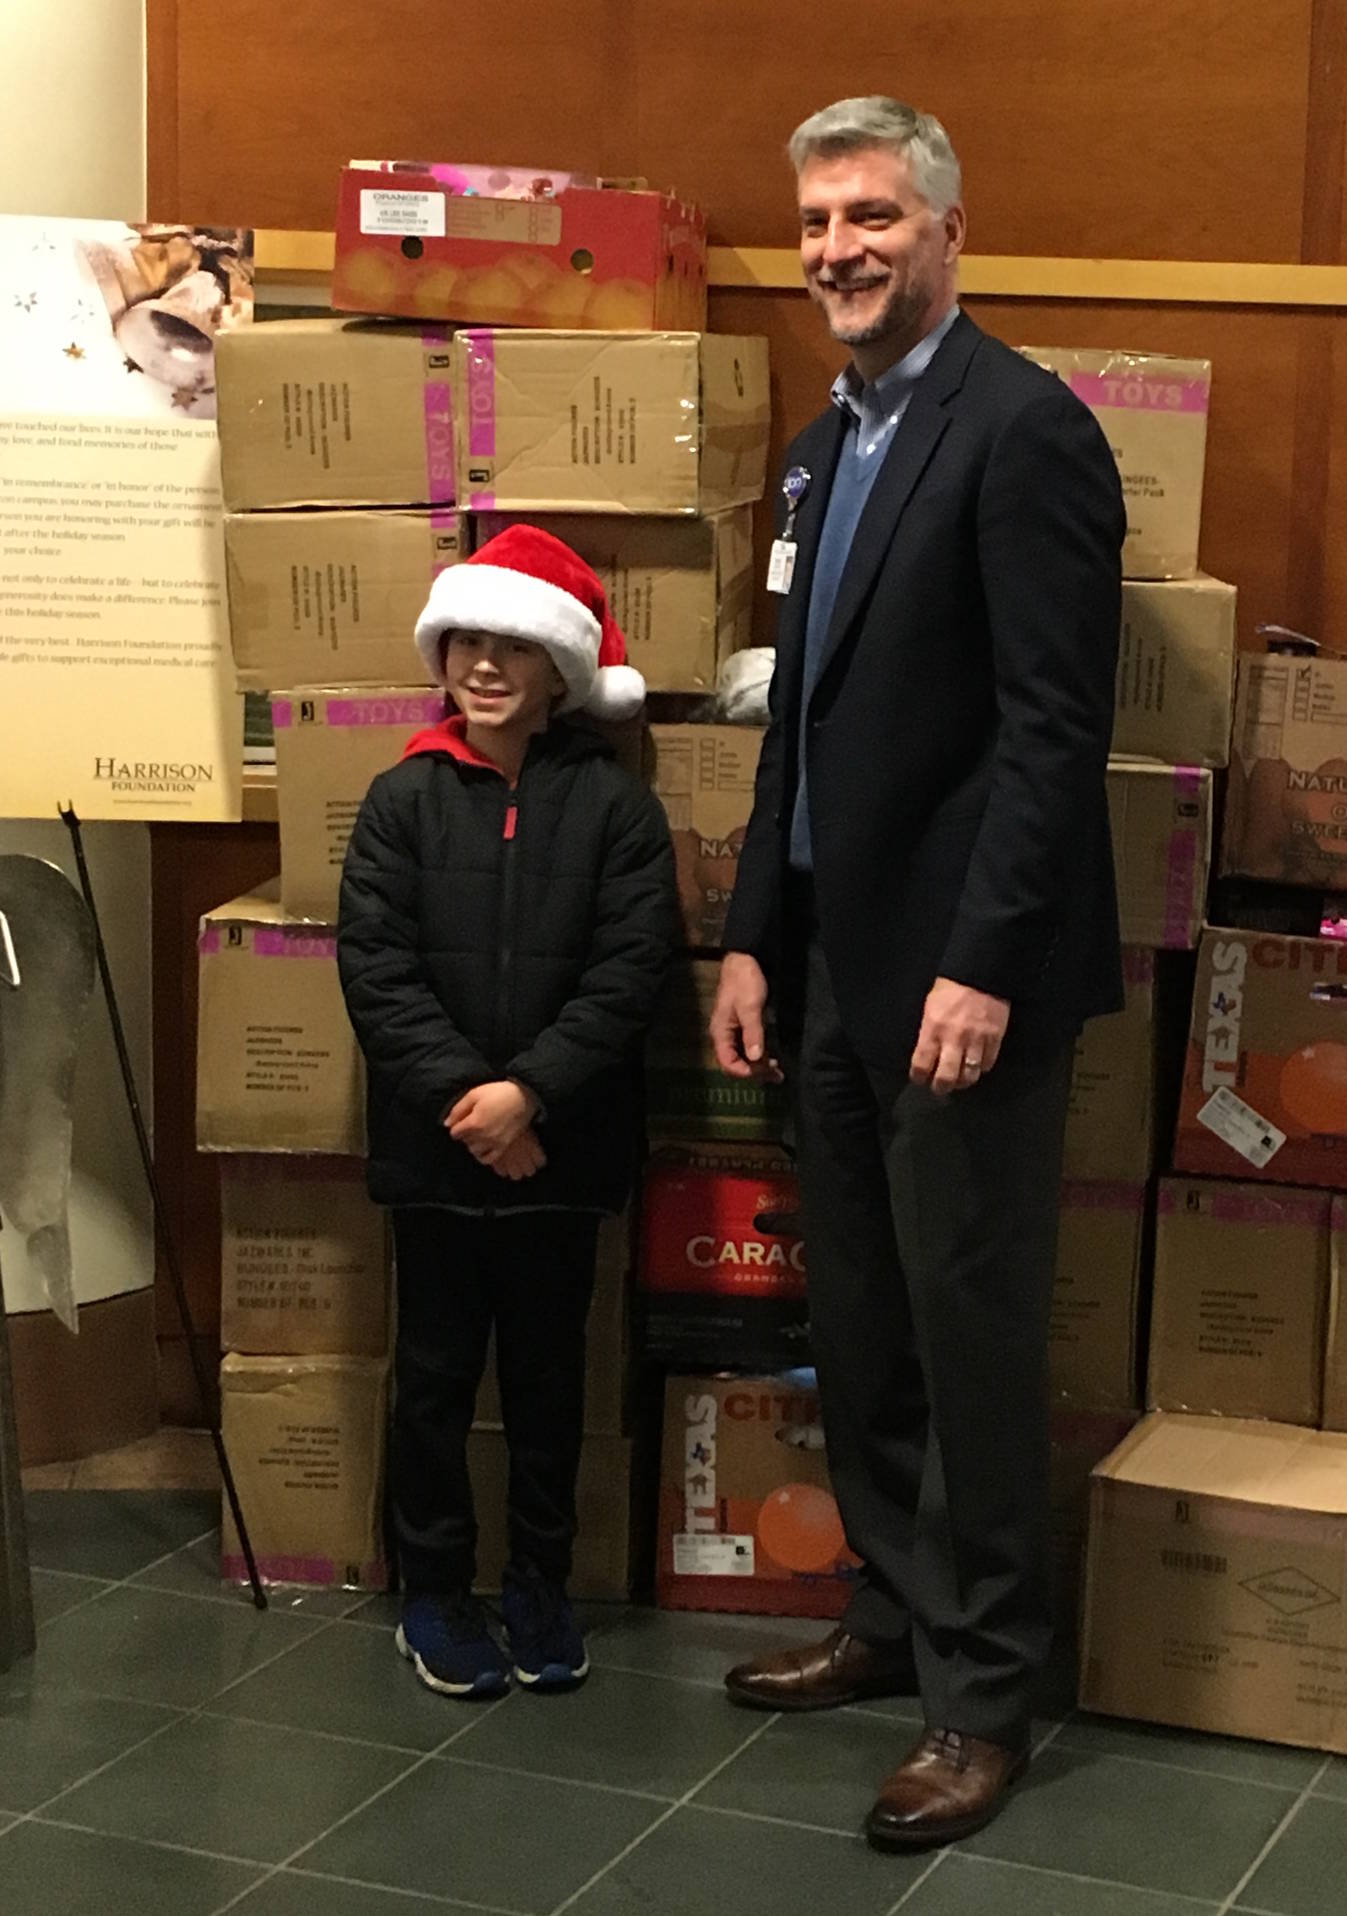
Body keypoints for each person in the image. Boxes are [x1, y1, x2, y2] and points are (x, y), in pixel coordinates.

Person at [714, 96, 1126, 1850]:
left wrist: (983, 962)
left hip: (965, 993)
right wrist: (747, 929)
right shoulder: (825, 447)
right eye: (815, 223)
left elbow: (1053, 735)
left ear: (948, 227)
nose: (836, 252)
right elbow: (788, 728)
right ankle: (889, 1619)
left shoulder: (1022, 433)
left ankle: (983, 1694)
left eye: (870, 215)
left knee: (966, 1344)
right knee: (860, 1329)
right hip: (825, 968)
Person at [338, 524, 679, 1699]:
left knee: (546, 1384)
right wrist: (467, 1101)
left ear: (558, 671)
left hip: (560, 1152)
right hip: (434, 1156)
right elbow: (375, 970)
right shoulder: (399, 801)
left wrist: (529, 1092)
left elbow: (630, 970)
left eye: (512, 646)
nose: (484, 666)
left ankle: (541, 1578)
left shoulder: (616, 811)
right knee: (432, 1381)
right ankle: (432, 1587)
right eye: (466, 641)